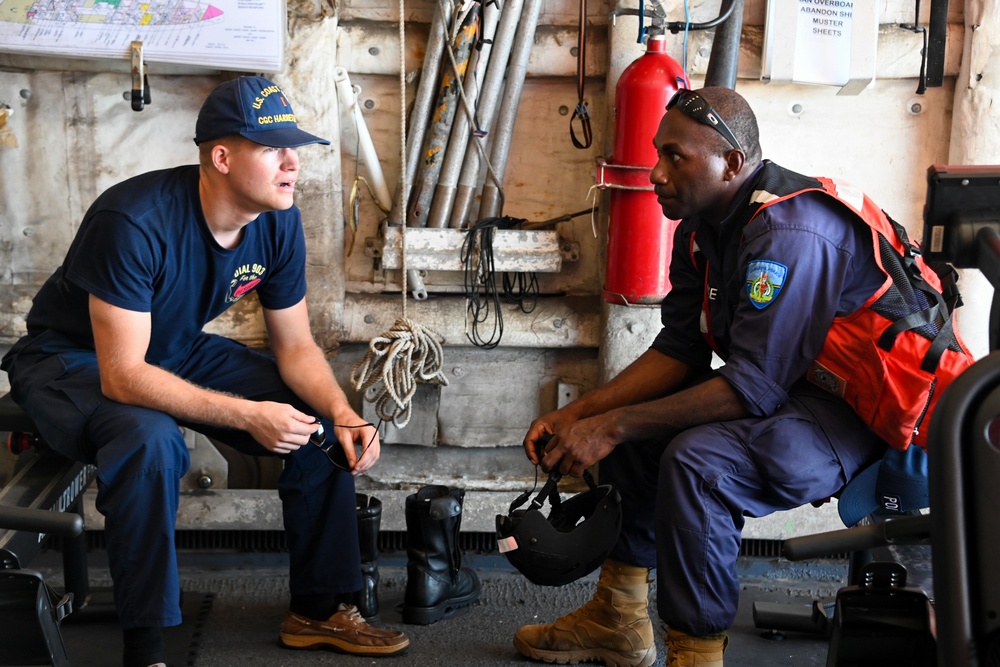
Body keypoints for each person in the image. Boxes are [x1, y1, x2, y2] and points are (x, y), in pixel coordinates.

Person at [512, 86, 973, 667]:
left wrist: (611, 427)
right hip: (791, 390)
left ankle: (699, 654)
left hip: (860, 415)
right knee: (631, 433)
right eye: (657, 152)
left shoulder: (792, 234)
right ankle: (617, 618)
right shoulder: (700, 229)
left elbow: (749, 386)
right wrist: (583, 415)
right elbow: (679, 351)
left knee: (698, 464)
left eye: (675, 156)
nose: (655, 172)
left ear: (731, 163)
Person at [1, 76, 409, 667]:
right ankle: (147, 650)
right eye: (273, 148)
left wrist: (343, 413)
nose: (293, 162)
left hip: (168, 347)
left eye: (294, 146)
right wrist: (248, 416)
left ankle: (318, 611)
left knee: (316, 419)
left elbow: (294, 347)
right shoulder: (132, 220)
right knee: (151, 440)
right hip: (73, 359)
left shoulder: (276, 220)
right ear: (222, 157)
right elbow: (122, 378)